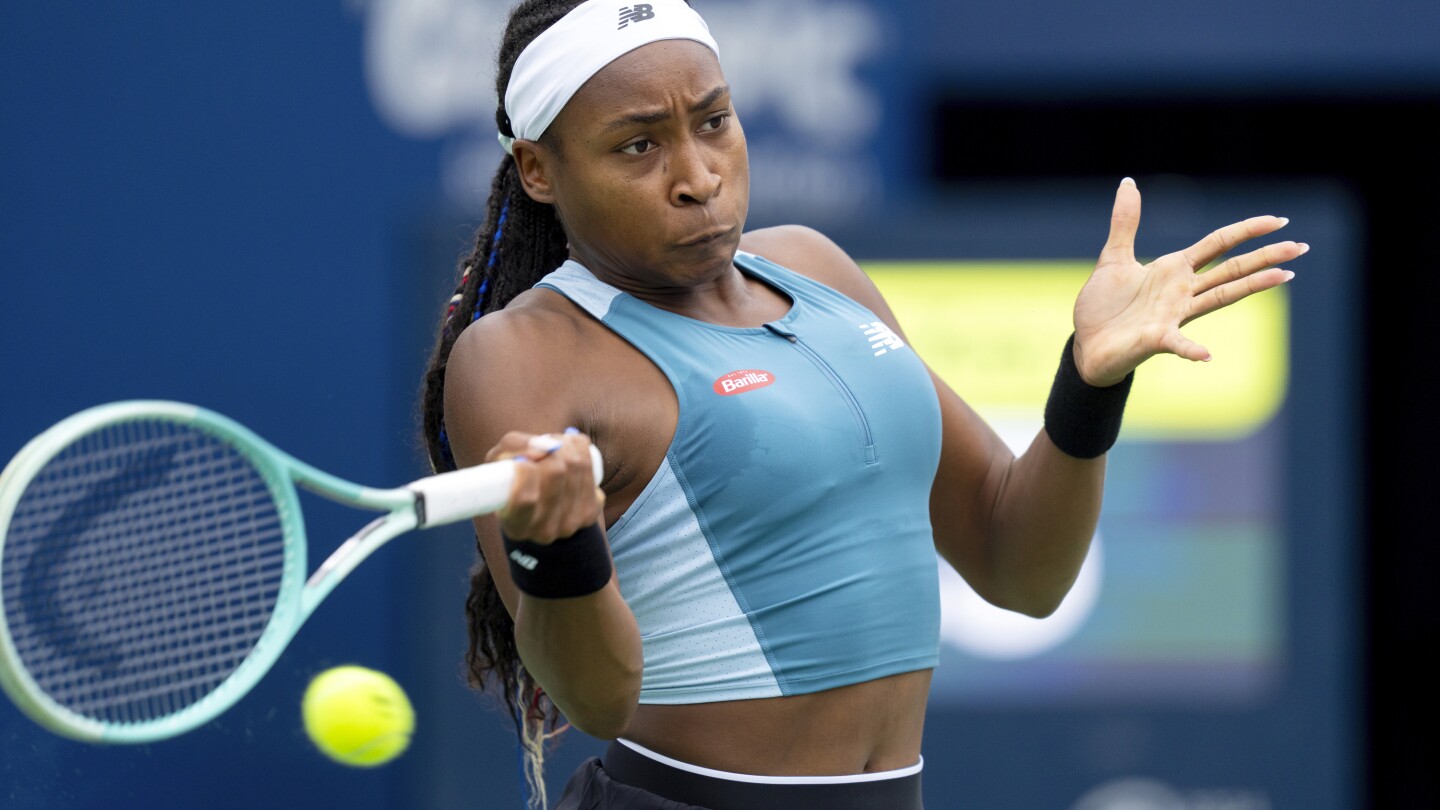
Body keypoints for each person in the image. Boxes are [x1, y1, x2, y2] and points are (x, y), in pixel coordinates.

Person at [418, 2, 1303, 808]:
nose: (698, 176)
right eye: (639, 146)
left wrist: (1089, 382)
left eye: (715, 122)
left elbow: (1018, 565)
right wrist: (559, 548)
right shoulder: (521, 352)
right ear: (538, 168)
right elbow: (594, 697)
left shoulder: (816, 265)